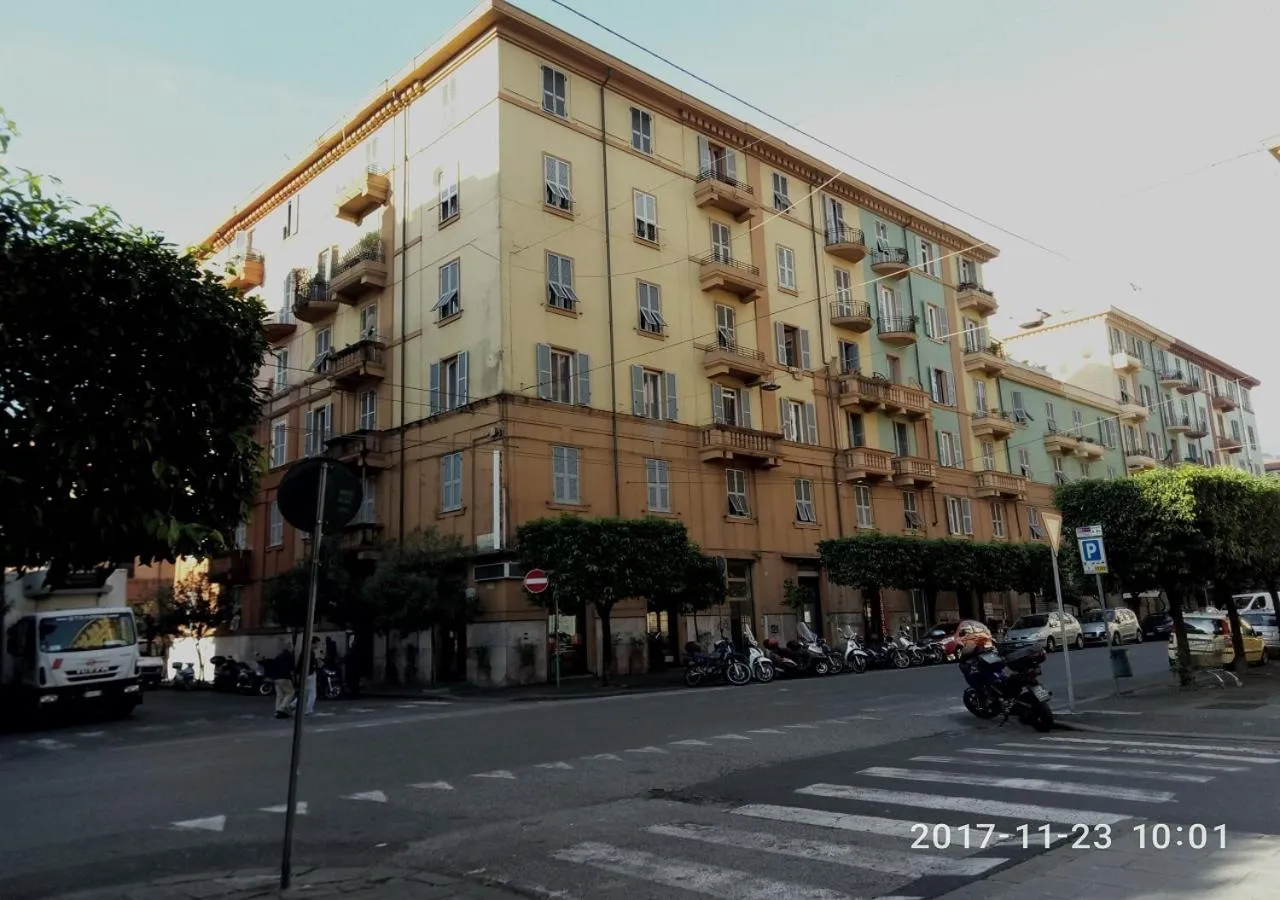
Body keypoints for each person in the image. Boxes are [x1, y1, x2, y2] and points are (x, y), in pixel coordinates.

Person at [272, 643, 295, 719]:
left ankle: (277, 710)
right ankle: (282, 708)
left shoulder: (278, 656)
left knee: (280, 695)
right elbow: (291, 669)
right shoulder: (289, 656)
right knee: (290, 692)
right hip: (285, 678)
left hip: (276, 678)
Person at [303, 637, 320, 715]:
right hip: (310, 674)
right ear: (313, 643)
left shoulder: (305, 650)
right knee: (312, 693)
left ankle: (294, 705)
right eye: (317, 643)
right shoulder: (311, 652)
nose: (318, 645)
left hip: (305, 674)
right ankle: (309, 708)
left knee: (305, 692)